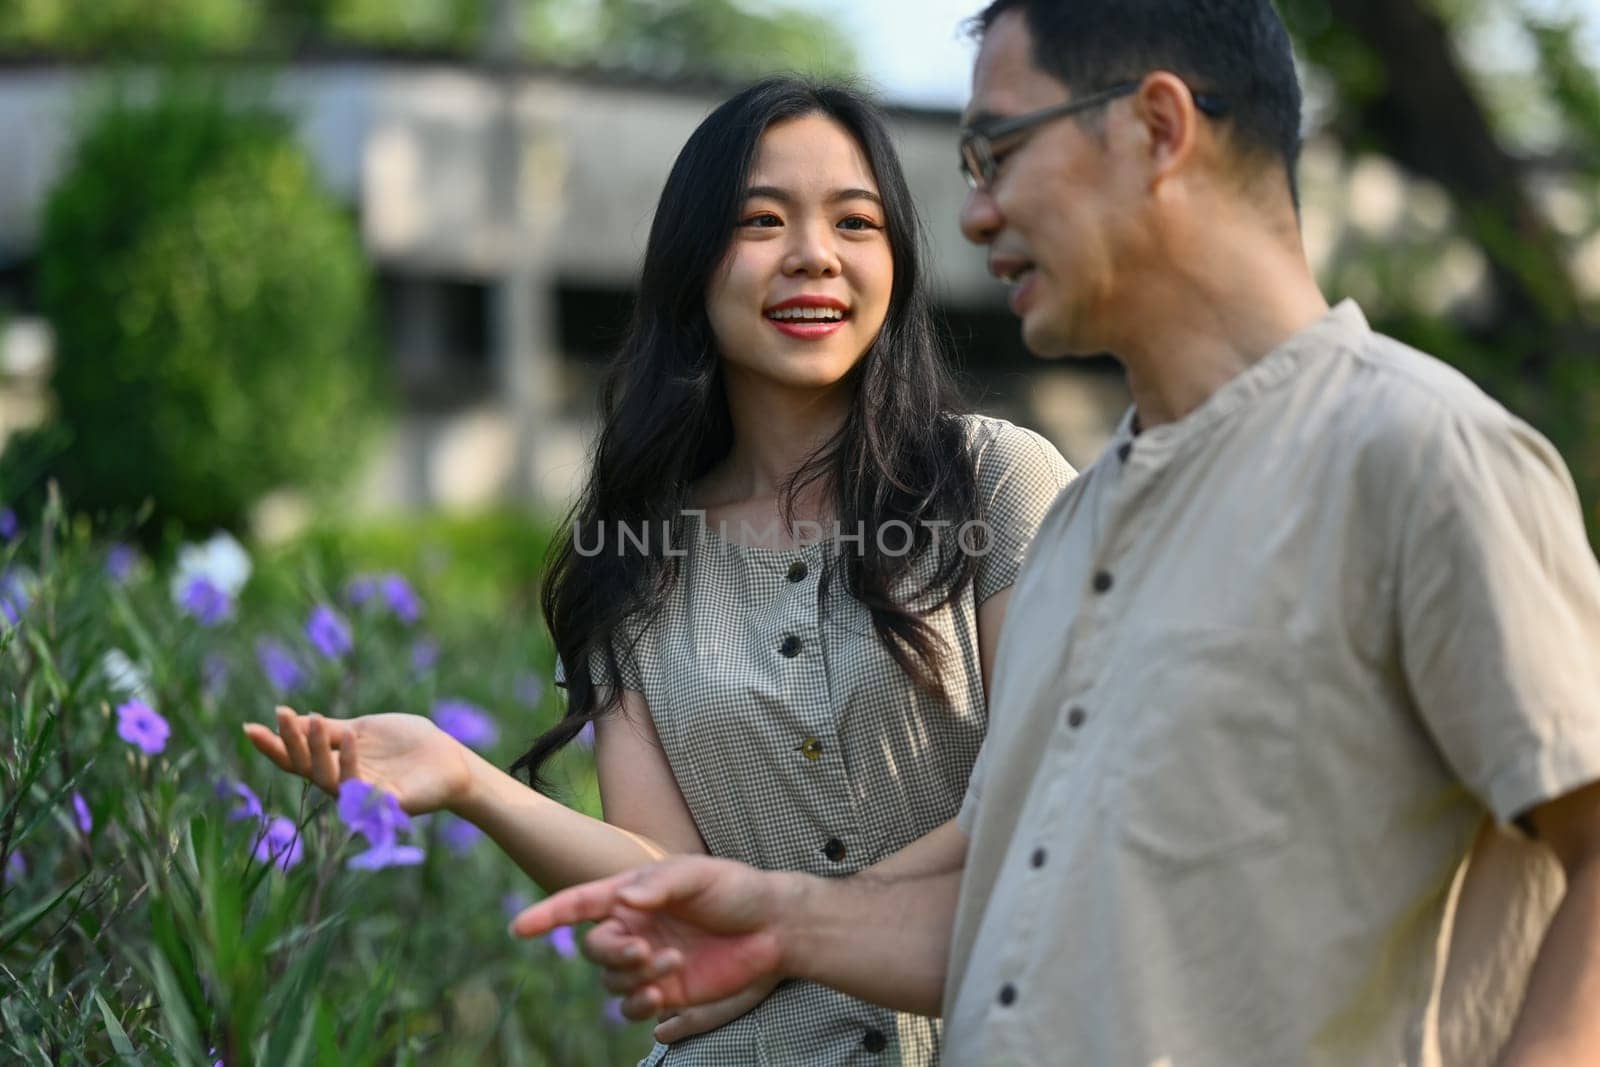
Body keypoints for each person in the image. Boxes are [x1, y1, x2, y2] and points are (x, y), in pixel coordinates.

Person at [507, 3, 1600, 1065]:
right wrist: (777, 922)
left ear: (1157, 129)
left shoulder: (1415, 455)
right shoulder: (1083, 523)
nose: (973, 215)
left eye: (1000, 152)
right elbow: (1010, 908)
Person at [244, 75, 1074, 1065]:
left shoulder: (989, 481)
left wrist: (783, 924)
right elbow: (665, 875)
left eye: (855, 222)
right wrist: (466, 778)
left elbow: (1053, 783)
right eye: (761, 220)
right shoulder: (630, 567)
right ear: (693, 263)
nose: (814, 255)